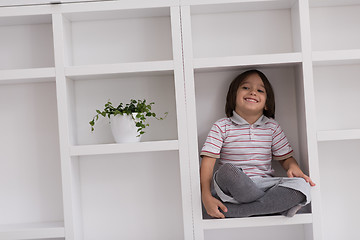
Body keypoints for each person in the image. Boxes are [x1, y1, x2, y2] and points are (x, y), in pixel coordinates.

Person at [200, 69, 315, 219]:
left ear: (267, 104)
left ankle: (240, 211)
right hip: (232, 189)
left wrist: (293, 167)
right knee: (227, 171)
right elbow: (207, 164)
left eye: (260, 90)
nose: (253, 92)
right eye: (246, 87)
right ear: (233, 96)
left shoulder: (272, 127)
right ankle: (271, 207)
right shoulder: (222, 126)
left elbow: (286, 159)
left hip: (264, 186)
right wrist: (206, 196)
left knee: (302, 187)